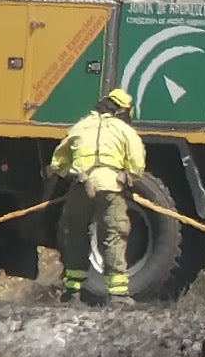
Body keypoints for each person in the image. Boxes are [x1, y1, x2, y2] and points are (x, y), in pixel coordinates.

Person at [48, 87, 145, 306]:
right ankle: (118, 295)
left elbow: (58, 162)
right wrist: (129, 177)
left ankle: (72, 292)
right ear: (122, 111)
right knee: (113, 235)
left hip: (82, 185)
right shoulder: (124, 130)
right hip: (110, 186)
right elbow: (137, 163)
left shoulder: (80, 126)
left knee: (76, 234)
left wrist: (69, 175)